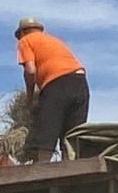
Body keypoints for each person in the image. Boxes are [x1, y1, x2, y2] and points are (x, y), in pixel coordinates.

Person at [15, 17, 90, 161]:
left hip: (57, 83)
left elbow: (30, 71)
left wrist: (29, 99)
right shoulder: (54, 41)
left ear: (22, 32)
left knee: (46, 128)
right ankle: (69, 172)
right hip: (80, 83)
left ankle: (42, 171)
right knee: (71, 135)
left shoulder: (25, 41)